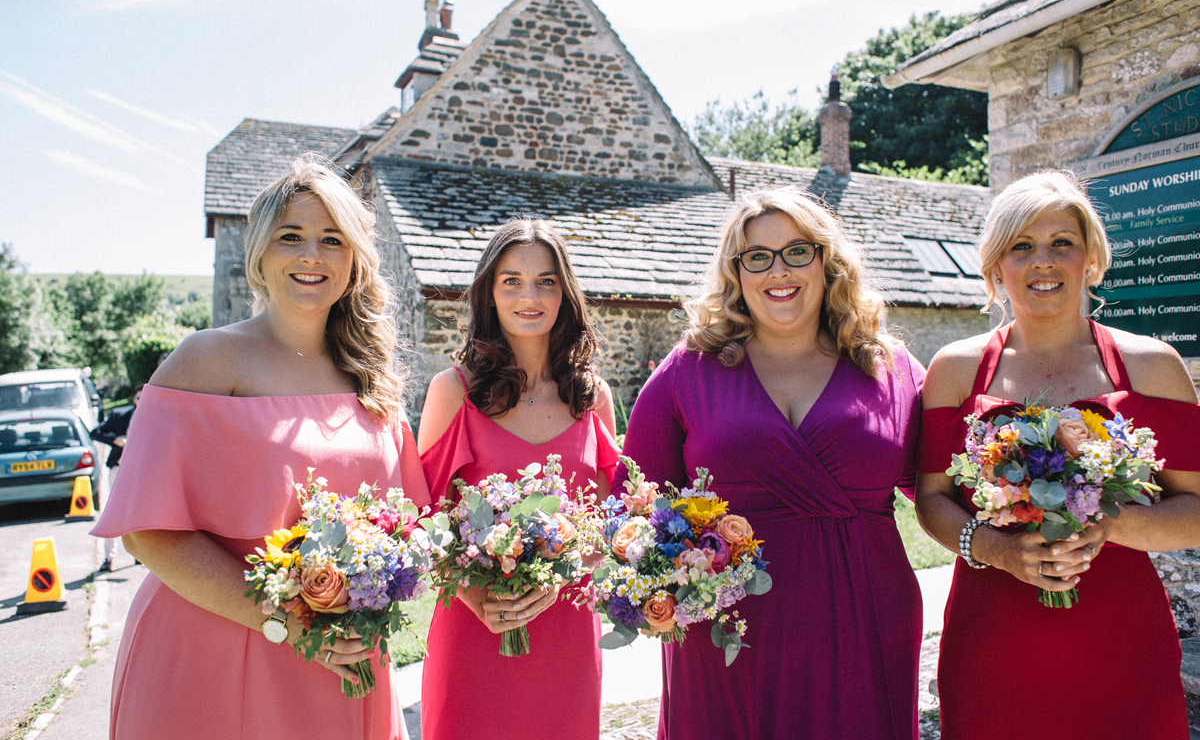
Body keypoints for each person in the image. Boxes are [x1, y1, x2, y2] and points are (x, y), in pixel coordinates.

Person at [91, 155, 429, 740]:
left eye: (332, 239)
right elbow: (148, 533)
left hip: (343, 656)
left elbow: (407, 523)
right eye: (290, 237)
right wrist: (290, 626)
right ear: (259, 255)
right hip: (212, 647)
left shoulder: (371, 377)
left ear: (354, 257)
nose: (311, 256)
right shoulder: (205, 360)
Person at [619, 188, 925, 739]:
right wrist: (652, 590)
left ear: (827, 261)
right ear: (736, 273)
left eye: (796, 252)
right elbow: (631, 503)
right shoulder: (689, 369)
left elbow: (941, 489)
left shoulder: (890, 367)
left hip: (866, 617)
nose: (777, 270)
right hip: (729, 632)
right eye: (757, 256)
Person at [914, 170, 1200, 739]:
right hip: (992, 637)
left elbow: (1195, 506)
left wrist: (1106, 522)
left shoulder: (1152, 364)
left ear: (1090, 259)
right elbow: (931, 500)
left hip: (1121, 636)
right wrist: (997, 550)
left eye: (1062, 243)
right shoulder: (954, 369)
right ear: (997, 266)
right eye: (1021, 246)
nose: (1042, 262)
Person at [417, 218, 619, 740]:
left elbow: (605, 525)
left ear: (564, 295)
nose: (529, 295)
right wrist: (474, 596)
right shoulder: (452, 391)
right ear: (490, 293)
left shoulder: (593, 397)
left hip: (565, 631)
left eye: (546, 281)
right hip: (473, 624)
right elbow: (423, 518)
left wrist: (556, 580)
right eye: (511, 281)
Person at [92, 383, 143, 572]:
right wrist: (115, 440)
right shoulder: (120, 415)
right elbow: (95, 432)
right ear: (134, 399)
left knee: (140, 513)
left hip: (142, 472)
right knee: (113, 512)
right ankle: (108, 558)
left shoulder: (156, 419)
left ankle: (140, 554)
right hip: (119, 468)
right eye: (139, 398)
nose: (141, 402)